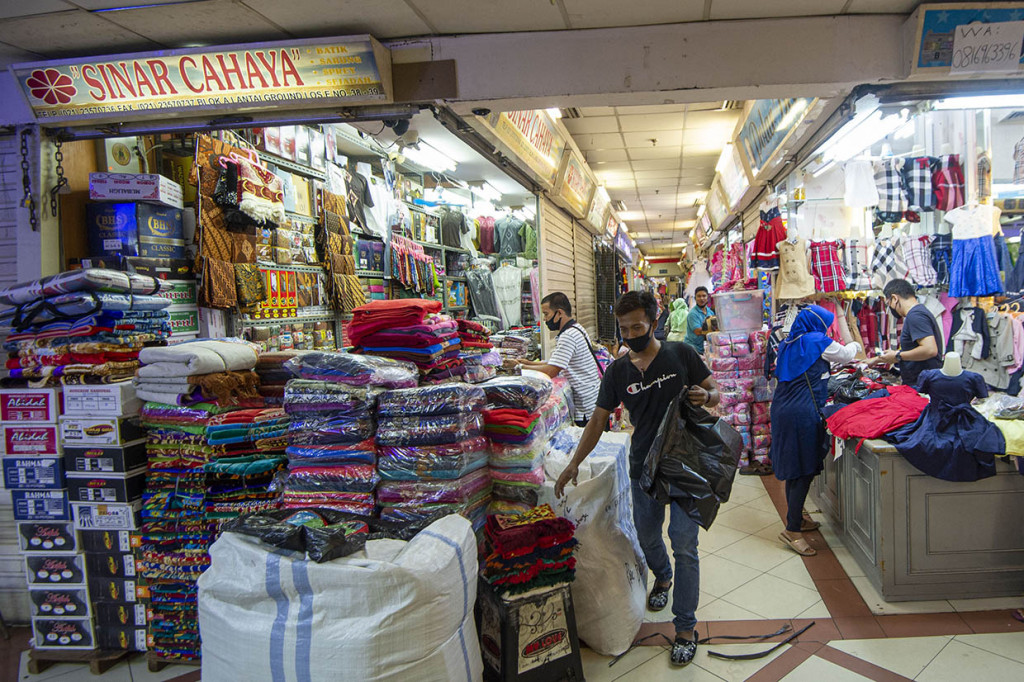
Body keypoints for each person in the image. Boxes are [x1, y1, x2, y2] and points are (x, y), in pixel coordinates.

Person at [555, 290, 720, 667]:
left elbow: (715, 391)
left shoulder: (681, 355)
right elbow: (598, 419)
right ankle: (662, 576)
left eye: (638, 327)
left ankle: (684, 628)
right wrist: (574, 463)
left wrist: (705, 397)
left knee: (684, 543)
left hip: (686, 464)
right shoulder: (618, 371)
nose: (631, 335)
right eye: (624, 329)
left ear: (654, 321)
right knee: (646, 535)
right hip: (644, 466)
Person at [771, 305, 860, 557]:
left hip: (784, 410)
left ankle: (796, 518)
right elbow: (847, 355)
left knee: (796, 468)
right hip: (802, 412)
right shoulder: (816, 340)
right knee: (803, 470)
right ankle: (792, 531)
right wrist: (851, 334)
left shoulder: (790, 341)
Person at [518, 292, 601, 426]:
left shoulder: (568, 336)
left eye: (546, 314)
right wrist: (527, 363)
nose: (544, 319)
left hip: (586, 407)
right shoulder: (576, 328)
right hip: (592, 400)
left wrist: (519, 367)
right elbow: (555, 363)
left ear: (559, 313)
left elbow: (551, 370)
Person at [867, 278, 942, 386]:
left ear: (894, 298)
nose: (891, 309)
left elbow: (930, 350)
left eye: (889, 304)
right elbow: (915, 350)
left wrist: (898, 355)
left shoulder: (915, 316)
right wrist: (877, 359)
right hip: (922, 382)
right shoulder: (918, 313)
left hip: (922, 385)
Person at [684, 287, 712, 354]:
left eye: (704, 296)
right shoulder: (693, 314)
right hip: (692, 349)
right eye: (699, 296)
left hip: (704, 348)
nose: (701, 298)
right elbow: (698, 332)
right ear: (695, 298)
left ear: (707, 297)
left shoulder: (710, 312)